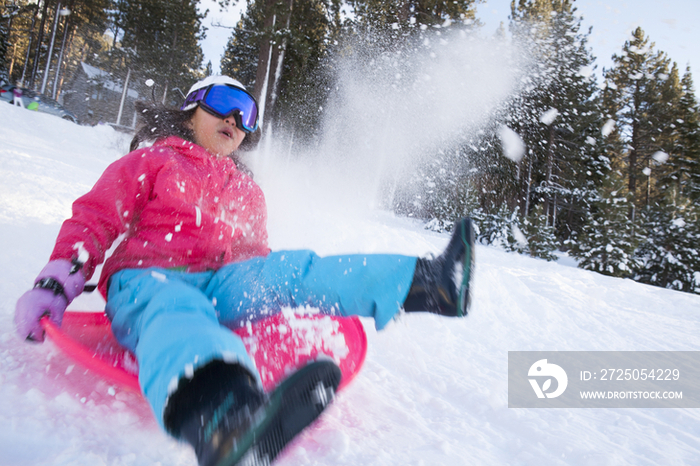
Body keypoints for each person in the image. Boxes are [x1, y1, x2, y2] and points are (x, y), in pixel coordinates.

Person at [14, 75, 475, 466]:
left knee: (291, 268)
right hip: (147, 279)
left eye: (246, 115)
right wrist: (56, 283)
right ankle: (222, 420)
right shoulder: (152, 163)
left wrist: (267, 285)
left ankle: (432, 285)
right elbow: (96, 220)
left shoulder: (248, 191)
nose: (234, 121)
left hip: (222, 285)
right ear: (190, 111)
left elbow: (255, 254)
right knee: (174, 310)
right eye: (223, 106)